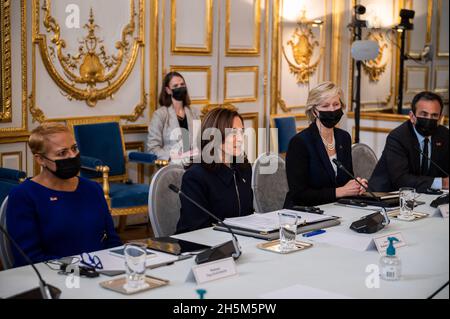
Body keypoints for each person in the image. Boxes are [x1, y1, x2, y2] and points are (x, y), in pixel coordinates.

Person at [6, 123, 121, 267]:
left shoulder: (92, 188)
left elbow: (112, 241)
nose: (73, 156)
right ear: (40, 159)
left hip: (100, 273)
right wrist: (80, 269)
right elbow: (29, 258)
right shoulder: (24, 195)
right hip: (53, 279)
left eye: (74, 148)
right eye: (62, 153)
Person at [284, 81, 367, 208]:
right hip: (304, 214)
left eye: (336, 104)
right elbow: (299, 194)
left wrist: (356, 186)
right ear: (314, 111)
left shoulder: (343, 138)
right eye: (325, 106)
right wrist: (339, 192)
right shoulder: (300, 143)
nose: (332, 110)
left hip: (338, 210)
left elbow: (346, 180)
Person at [176, 108, 253, 233]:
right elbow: (198, 229)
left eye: (241, 132)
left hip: (241, 242)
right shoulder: (195, 177)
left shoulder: (243, 167)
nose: (239, 139)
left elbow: (247, 214)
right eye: (233, 133)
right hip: (199, 247)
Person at [369, 91, 449, 192]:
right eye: (424, 114)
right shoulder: (398, 137)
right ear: (412, 116)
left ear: (440, 118)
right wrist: (442, 183)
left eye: (434, 116)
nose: (429, 119)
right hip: (386, 196)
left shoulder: (444, 135)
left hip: (423, 196)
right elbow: (401, 179)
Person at [146, 72, 200, 162]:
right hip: (171, 166)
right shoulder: (160, 114)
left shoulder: (194, 112)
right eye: (175, 86)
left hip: (194, 164)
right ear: (168, 90)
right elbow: (153, 148)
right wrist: (176, 156)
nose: (180, 87)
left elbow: (199, 141)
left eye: (182, 84)